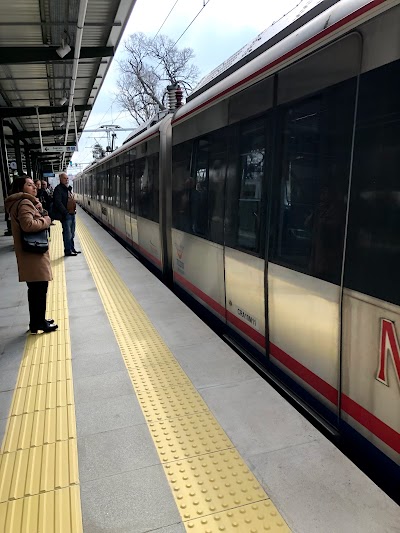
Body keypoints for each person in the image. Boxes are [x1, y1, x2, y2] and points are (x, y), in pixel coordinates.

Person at [5, 176, 58, 334]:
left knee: (35, 290)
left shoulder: (21, 202)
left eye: (34, 185)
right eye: (29, 185)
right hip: (33, 253)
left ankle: (37, 321)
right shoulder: (25, 203)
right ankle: (39, 323)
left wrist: (40, 210)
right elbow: (28, 225)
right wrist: (46, 220)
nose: (34, 187)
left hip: (30, 253)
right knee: (39, 289)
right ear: (21, 188)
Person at [52, 173, 81, 256]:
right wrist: (65, 212)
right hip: (66, 215)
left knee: (72, 233)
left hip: (72, 214)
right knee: (67, 233)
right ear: (60, 179)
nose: (67, 180)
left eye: (67, 178)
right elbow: (58, 202)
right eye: (65, 178)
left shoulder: (68, 189)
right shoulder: (58, 189)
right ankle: (68, 251)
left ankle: (72, 248)